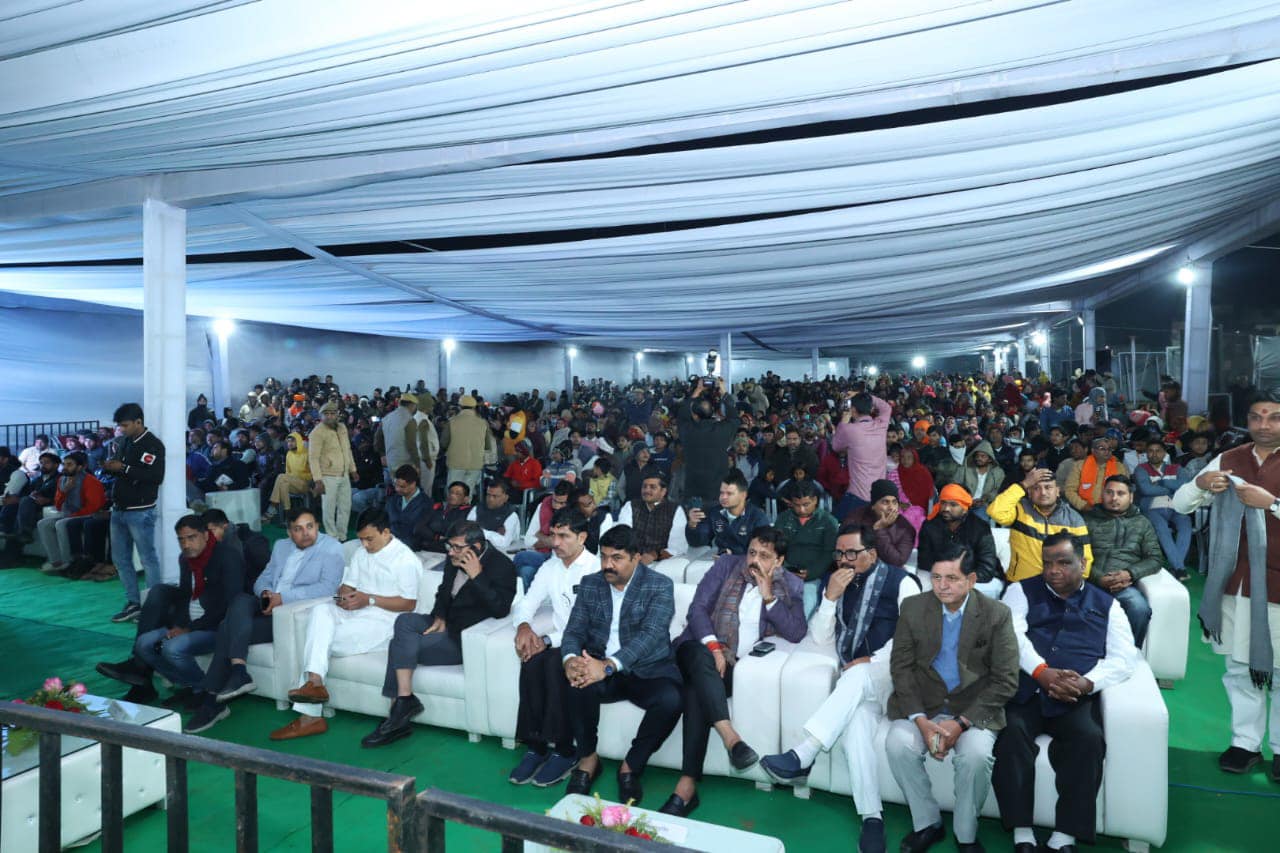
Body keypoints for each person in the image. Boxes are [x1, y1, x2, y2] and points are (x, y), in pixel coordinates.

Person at [760, 524, 920, 853]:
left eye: (851, 553)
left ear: (872, 554)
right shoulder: (835, 581)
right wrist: (830, 597)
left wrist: (871, 660)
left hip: (899, 675)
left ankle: (805, 752)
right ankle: (872, 818)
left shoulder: (902, 582)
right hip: (861, 687)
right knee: (856, 729)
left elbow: (914, 636)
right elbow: (821, 638)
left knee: (858, 674)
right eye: (839, 553)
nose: (844, 560)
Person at [994, 533, 1139, 853]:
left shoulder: (1109, 605)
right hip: (1030, 690)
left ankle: (1065, 835)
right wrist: (1041, 672)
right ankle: (1021, 830)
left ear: (1083, 564)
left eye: (1063, 563)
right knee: (1011, 734)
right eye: (1047, 563)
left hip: (1076, 697)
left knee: (1089, 740)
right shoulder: (1020, 591)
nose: (1053, 570)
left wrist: (1087, 683)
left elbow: (1124, 659)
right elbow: (1010, 635)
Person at [1172, 389, 1280, 779]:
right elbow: (1180, 504)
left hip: (1278, 586)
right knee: (1238, 667)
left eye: (1274, 417)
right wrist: (1202, 482)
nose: (1264, 425)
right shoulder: (1230, 458)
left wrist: (1271, 503)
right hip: (1234, 583)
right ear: (1246, 421)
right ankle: (1244, 743)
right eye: (1256, 417)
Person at [883, 546, 1019, 853]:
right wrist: (920, 721)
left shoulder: (996, 614)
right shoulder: (913, 607)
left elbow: (1006, 680)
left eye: (952, 578)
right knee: (898, 744)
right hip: (924, 706)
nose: (942, 585)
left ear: (971, 580)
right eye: (936, 577)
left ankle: (965, 834)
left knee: (976, 757)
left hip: (973, 710)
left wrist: (961, 723)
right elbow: (901, 668)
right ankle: (928, 823)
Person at [662, 528, 806, 817]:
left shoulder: (791, 585)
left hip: (732, 668)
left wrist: (769, 597)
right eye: (752, 552)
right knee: (700, 659)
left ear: (779, 561)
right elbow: (697, 609)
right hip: (695, 648)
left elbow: (796, 632)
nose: (754, 560)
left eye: (764, 555)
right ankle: (730, 738)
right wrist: (714, 647)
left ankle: (686, 787)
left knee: (697, 691)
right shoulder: (727, 566)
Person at [186, 507, 345, 732]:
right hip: (269, 604)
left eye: (310, 527)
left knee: (226, 627)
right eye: (298, 529)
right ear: (289, 532)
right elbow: (263, 578)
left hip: (291, 614)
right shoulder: (281, 547)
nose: (306, 533)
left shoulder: (331, 548)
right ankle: (237, 672)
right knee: (241, 599)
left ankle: (212, 699)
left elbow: (327, 588)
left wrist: (283, 598)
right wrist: (265, 593)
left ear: (317, 526)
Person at [362, 520, 516, 746]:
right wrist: (439, 617)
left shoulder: (502, 566)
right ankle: (404, 701)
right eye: (449, 546)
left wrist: (477, 576)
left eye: (457, 547)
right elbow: (443, 591)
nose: (451, 552)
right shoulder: (454, 559)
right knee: (404, 621)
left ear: (476, 547)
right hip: (446, 623)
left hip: (464, 637)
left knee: (399, 646)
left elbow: (501, 609)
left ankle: (397, 714)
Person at [271, 508, 420, 741]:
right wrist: (343, 596)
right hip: (357, 612)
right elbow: (347, 586)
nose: (365, 545)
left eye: (369, 539)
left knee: (318, 640)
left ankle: (310, 716)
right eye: (361, 539)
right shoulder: (361, 553)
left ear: (386, 532)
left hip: (386, 621)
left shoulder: (406, 559)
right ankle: (315, 684)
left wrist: (369, 599)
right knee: (321, 610)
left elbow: (409, 603)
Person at [561, 524, 682, 806]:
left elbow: (650, 636)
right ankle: (588, 759)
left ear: (636, 557)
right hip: (600, 665)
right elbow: (574, 630)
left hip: (647, 669)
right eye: (604, 557)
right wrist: (570, 660)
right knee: (575, 684)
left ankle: (631, 767)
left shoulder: (660, 585)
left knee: (672, 700)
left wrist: (607, 666)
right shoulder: (591, 584)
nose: (607, 565)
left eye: (616, 558)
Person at [95, 515, 243, 716]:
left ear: (206, 535)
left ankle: (205, 690)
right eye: (181, 539)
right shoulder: (185, 559)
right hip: (190, 623)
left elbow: (231, 604)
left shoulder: (227, 556)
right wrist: (179, 625)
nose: (186, 544)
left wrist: (189, 629)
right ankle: (193, 686)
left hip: (216, 626)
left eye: (191, 537)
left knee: (172, 648)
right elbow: (185, 596)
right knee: (144, 643)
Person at [507, 508, 601, 786]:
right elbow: (527, 603)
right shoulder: (550, 567)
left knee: (551, 663)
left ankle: (565, 750)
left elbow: (587, 626)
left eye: (564, 536)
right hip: (560, 641)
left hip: (590, 644)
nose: (555, 543)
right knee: (530, 660)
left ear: (582, 537)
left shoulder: (596, 569)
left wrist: (547, 641)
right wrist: (524, 627)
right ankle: (536, 746)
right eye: (553, 535)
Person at [102, 402, 166, 623]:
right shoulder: (124, 442)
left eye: (125, 425)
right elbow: (123, 471)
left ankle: (154, 605)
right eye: (120, 426)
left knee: (148, 558)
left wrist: (123, 468)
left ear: (139, 422)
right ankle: (133, 602)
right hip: (119, 508)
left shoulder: (153, 445)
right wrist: (111, 468)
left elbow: (155, 476)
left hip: (140, 510)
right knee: (120, 559)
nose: (121, 429)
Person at [1083, 474, 1162, 646]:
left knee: (1139, 608)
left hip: (1124, 585)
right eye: (1109, 492)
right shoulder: (1086, 520)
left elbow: (1155, 558)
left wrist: (1129, 573)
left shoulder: (1142, 523)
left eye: (1120, 493)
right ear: (1102, 494)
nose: (1114, 498)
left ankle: (1129, 655)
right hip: (1089, 583)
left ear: (1131, 497)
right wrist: (1099, 578)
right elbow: (1076, 555)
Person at [989, 465, 1092, 582]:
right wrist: (1023, 484)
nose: (1043, 493)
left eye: (1048, 487)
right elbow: (995, 512)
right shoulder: (1020, 509)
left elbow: (1085, 560)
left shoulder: (1074, 519)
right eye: (1036, 488)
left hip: (1058, 585)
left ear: (1057, 491)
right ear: (1029, 492)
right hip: (1020, 583)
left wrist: (1069, 585)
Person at [918, 484, 1002, 599]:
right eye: (943, 503)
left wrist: (959, 578)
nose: (946, 508)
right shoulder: (930, 525)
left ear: (964, 509)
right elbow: (924, 561)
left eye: (953, 504)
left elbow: (986, 568)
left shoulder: (980, 528)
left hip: (972, 578)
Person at [30, 451, 106, 573]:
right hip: (69, 514)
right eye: (64, 464)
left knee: (61, 523)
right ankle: (55, 561)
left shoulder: (91, 481)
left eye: (69, 464)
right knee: (43, 523)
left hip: (89, 515)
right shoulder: (62, 480)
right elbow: (58, 506)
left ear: (80, 467)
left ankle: (67, 562)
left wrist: (73, 515)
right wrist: (64, 491)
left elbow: (94, 507)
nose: (65, 467)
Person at [773, 479, 840, 614]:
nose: (801, 509)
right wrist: (786, 568)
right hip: (785, 572)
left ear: (815, 500)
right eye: (796, 505)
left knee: (807, 606)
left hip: (814, 576)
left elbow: (829, 553)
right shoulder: (783, 519)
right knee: (775, 604)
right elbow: (777, 548)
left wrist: (811, 573)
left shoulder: (828, 522)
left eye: (806, 504)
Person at [611, 466, 689, 575]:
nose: (647, 490)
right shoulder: (631, 506)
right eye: (644, 487)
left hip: (662, 562)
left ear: (663, 491)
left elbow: (677, 547)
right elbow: (623, 536)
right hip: (632, 559)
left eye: (652, 487)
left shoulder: (675, 510)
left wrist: (654, 555)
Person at [1133, 441, 1192, 581]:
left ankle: (1176, 566)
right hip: (1152, 508)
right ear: (1146, 453)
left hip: (1176, 507)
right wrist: (1172, 488)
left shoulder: (1176, 468)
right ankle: (1179, 568)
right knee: (1162, 528)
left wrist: (1162, 482)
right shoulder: (1141, 469)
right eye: (1151, 450)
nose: (1154, 454)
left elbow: (1185, 485)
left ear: (1164, 453)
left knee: (1186, 524)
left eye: (1158, 450)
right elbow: (1146, 490)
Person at [677, 377, 740, 506]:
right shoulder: (722, 430)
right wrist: (723, 392)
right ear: (712, 413)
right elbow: (734, 417)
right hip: (718, 492)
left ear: (694, 415)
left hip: (693, 491)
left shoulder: (687, 430)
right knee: (717, 519)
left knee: (694, 519)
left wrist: (698, 390)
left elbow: (682, 414)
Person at [831, 389, 892, 518]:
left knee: (837, 525)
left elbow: (835, 446)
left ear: (853, 410)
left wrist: (844, 421)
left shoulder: (849, 430)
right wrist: (865, 396)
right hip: (878, 494)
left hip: (858, 495)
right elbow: (886, 408)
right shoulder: (881, 426)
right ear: (870, 409)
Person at [686, 468, 770, 556]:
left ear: (743, 495)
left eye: (729, 493)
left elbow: (763, 550)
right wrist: (692, 525)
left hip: (746, 562)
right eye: (722, 493)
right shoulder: (716, 513)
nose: (723, 497)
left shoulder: (757, 517)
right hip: (721, 560)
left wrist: (733, 557)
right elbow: (698, 542)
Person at [308, 401, 358, 541]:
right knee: (329, 509)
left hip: (344, 474)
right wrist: (318, 480)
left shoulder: (342, 428)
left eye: (332, 413)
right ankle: (332, 537)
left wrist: (353, 469)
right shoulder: (316, 433)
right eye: (326, 414)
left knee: (345, 507)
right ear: (321, 416)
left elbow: (348, 450)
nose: (329, 416)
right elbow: (313, 458)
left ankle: (342, 536)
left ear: (337, 415)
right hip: (327, 476)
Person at [843, 480, 915, 568]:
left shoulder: (905, 528)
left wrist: (880, 531)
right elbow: (848, 551)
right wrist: (873, 531)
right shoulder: (855, 518)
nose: (891, 507)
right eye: (885, 502)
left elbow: (897, 561)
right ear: (873, 505)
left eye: (894, 502)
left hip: (889, 572)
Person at [441, 394, 489, 498]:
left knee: (453, 493)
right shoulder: (483, 423)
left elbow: (444, 443)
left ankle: (453, 508)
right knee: (468, 492)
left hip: (456, 463)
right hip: (475, 464)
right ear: (474, 407)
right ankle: (466, 507)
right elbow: (488, 445)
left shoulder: (452, 421)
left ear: (460, 407)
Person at [1064, 436, 1129, 513]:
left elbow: (1124, 490)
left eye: (1109, 449)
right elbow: (1069, 490)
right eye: (1102, 449)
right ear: (1093, 450)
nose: (1107, 451)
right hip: (1084, 510)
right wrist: (1083, 505)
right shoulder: (1080, 465)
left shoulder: (1119, 467)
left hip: (1111, 510)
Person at [262, 431, 312, 523]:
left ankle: (273, 507)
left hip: (305, 483)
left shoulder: (307, 453)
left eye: (292, 441)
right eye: (288, 441)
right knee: (283, 485)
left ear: (299, 441)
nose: (289, 443)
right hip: (291, 483)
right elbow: (288, 472)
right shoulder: (289, 454)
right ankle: (288, 514)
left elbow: (313, 473)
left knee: (281, 477)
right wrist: (291, 477)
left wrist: (297, 475)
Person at [413, 481, 473, 552]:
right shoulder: (437, 506)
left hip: (449, 552)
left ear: (466, 499)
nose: (452, 495)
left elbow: (457, 535)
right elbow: (418, 528)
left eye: (458, 494)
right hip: (425, 548)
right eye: (451, 492)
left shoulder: (468, 513)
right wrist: (436, 537)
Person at [952, 440, 1004, 523]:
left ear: (990, 459)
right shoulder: (965, 469)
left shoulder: (998, 472)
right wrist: (968, 500)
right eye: (977, 456)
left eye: (983, 456)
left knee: (980, 518)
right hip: (963, 503)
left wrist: (985, 498)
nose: (979, 458)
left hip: (985, 504)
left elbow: (999, 490)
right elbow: (955, 486)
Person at [467, 478, 522, 552]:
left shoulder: (511, 515)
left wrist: (479, 531)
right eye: (488, 495)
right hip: (478, 549)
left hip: (503, 552)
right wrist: (494, 534)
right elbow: (468, 533)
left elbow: (504, 543)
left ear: (505, 498)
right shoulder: (477, 509)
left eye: (495, 496)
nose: (490, 499)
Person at [385, 464, 431, 546]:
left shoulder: (426, 503)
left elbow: (419, 533)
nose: (397, 489)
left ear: (413, 484)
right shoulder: (393, 499)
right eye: (395, 485)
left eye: (402, 486)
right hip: (389, 541)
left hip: (410, 546)